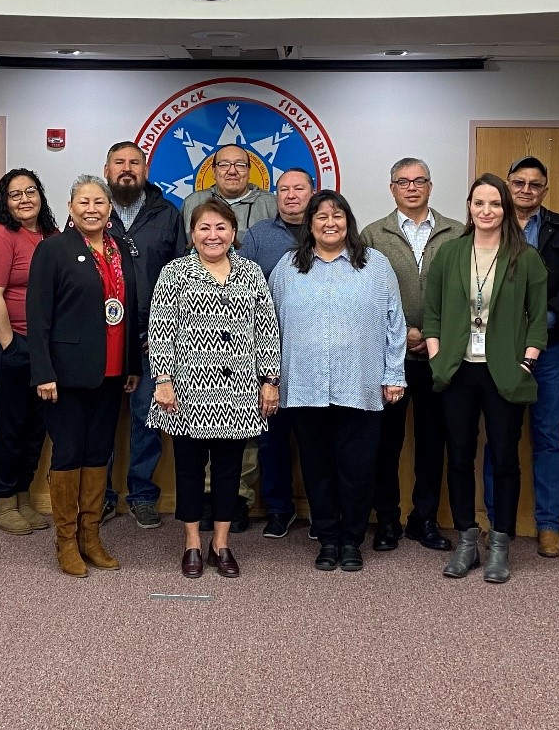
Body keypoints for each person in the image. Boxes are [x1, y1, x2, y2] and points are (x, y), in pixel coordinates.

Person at [268, 190, 406, 573]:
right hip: (304, 385)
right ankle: (327, 539)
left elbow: (395, 322)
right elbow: (270, 324)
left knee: (358, 468)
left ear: (349, 221)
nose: (330, 223)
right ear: (309, 224)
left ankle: (351, 540)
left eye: (338, 215)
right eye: (322, 216)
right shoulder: (287, 267)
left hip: (359, 385)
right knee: (317, 467)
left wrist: (394, 374)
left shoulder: (374, 265)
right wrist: (271, 378)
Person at [424, 174, 547, 583]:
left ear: (505, 209)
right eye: (479, 203)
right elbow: (434, 313)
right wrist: (438, 354)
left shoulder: (524, 256)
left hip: (504, 373)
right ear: (470, 207)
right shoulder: (450, 253)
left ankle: (500, 545)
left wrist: (527, 362)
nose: (486, 211)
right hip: (458, 371)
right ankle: (465, 542)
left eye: (494, 203)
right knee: (458, 456)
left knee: (504, 458)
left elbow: (537, 318)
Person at [148, 200, 281, 579]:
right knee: (189, 472)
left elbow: (267, 331)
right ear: (193, 234)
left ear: (234, 233)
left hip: (239, 393)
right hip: (187, 392)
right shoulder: (174, 273)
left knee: (229, 471)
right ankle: (192, 542)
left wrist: (270, 381)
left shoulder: (252, 273)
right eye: (204, 228)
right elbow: (160, 331)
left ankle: (221, 544)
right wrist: (164, 380)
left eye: (221, 227)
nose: (213, 235)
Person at [27, 175, 142, 577]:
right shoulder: (53, 249)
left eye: (99, 202)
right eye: (84, 201)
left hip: (112, 372)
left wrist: (131, 365)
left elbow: (129, 308)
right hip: (66, 374)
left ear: (110, 209)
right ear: (71, 206)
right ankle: (66, 541)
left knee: (99, 454)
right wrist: (43, 371)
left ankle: (91, 537)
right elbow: (38, 316)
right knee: (68, 452)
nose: (92, 208)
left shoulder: (121, 249)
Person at [361, 157, 463, 554]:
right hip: (389, 357)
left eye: (419, 180)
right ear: (392, 189)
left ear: (430, 186)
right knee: (386, 442)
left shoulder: (457, 232)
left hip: (440, 356)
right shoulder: (373, 234)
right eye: (403, 182)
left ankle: (424, 519)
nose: (412, 187)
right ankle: (386, 518)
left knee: (432, 442)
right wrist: (402, 332)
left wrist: (433, 333)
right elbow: (365, 296)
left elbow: (467, 291)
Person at [488, 156, 559, 557]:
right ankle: (496, 525)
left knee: (547, 437)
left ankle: (548, 525)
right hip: (497, 351)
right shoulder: (487, 226)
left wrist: (540, 322)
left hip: (551, 350)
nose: (526, 190)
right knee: (499, 438)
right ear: (507, 185)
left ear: (545, 189)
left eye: (535, 184)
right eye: (518, 183)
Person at [101, 141, 185, 529]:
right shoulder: (91, 211)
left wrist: (168, 332)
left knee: (147, 420)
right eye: (119, 162)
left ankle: (143, 496)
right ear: (107, 170)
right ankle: (98, 496)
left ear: (145, 170)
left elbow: (181, 273)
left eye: (134, 162)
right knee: (98, 419)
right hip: (99, 338)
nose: (127, 169)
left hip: (153, 337)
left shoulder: (167, 213)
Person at [0, 168, 59, 536]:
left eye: (31, 191)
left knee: (36, 423)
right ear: (4, 202)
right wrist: (11, 346)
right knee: (12, 423)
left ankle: (24, 496)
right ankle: (3, 500)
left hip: (42, 345)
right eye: (15, 194)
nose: (25, 199)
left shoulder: (52, 236)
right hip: (9, 341)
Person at [240, 167, 313, 537]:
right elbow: (245, 293)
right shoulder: (257, 236)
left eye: (298, 188)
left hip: (318, 356)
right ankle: (279, 509)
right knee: (272, 439)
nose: (290, 195)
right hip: (271, 356)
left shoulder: (330, 232)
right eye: (283, 189)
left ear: (312, 193)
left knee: (317, 439)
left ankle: (321, 512)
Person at [180, 143, 277, 243]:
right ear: (214, 172)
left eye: (240, 165)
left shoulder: (271, 204)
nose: (232, 171)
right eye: (224, 165)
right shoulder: (192, 203)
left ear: (248, 171)